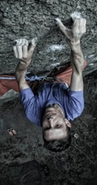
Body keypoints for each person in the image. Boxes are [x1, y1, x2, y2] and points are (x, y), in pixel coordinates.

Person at [13, 16, 86, 152]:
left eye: (47, 127)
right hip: (61, 81)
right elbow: (77, 71)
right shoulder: (75, 108)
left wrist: (24, 62)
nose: (50, 119)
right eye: (58, 125)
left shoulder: (33, 114)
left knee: (1, 82)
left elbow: (20, 79)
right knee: (81, 63)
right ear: (67, 123)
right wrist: (75, 42)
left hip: (38, 85)